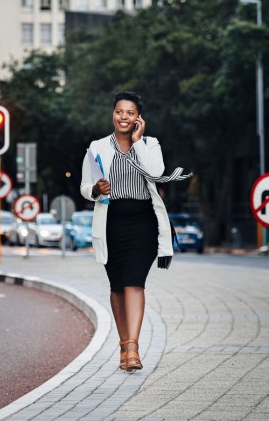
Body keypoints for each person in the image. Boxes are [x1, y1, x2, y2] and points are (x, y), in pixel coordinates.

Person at [80, 91, 190, 372]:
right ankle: (123, 345)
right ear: (113, 114)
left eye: (130, 113)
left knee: (134, 282)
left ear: (138, 117)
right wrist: (96, 189)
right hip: (111, 222)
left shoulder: (151, 145)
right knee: (117, 286)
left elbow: (156, 172)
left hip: (143, 222)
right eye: (119, 111)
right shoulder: (97, 147)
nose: (123, 117)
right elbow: (84, 186)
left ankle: (133, 349)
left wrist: (139, 143)